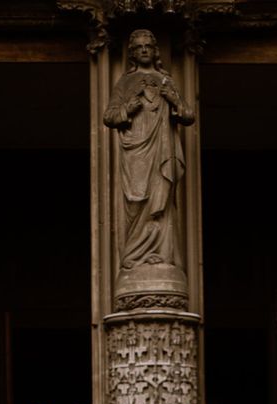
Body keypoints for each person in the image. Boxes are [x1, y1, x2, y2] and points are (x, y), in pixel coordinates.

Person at [103, 29, 194, 272]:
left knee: (162, 203)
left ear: (155, 51)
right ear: (133, 53)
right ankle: (133, 256)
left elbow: (188, 115)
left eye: (148, 46)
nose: (144, 50)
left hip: (162, 149)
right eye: (139, 47)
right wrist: (128, 109)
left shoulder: (167, 80)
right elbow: (109, 117)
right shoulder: (124, 81)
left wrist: (173, 99)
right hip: (135, 152)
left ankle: (161, 255)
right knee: (136, 203)